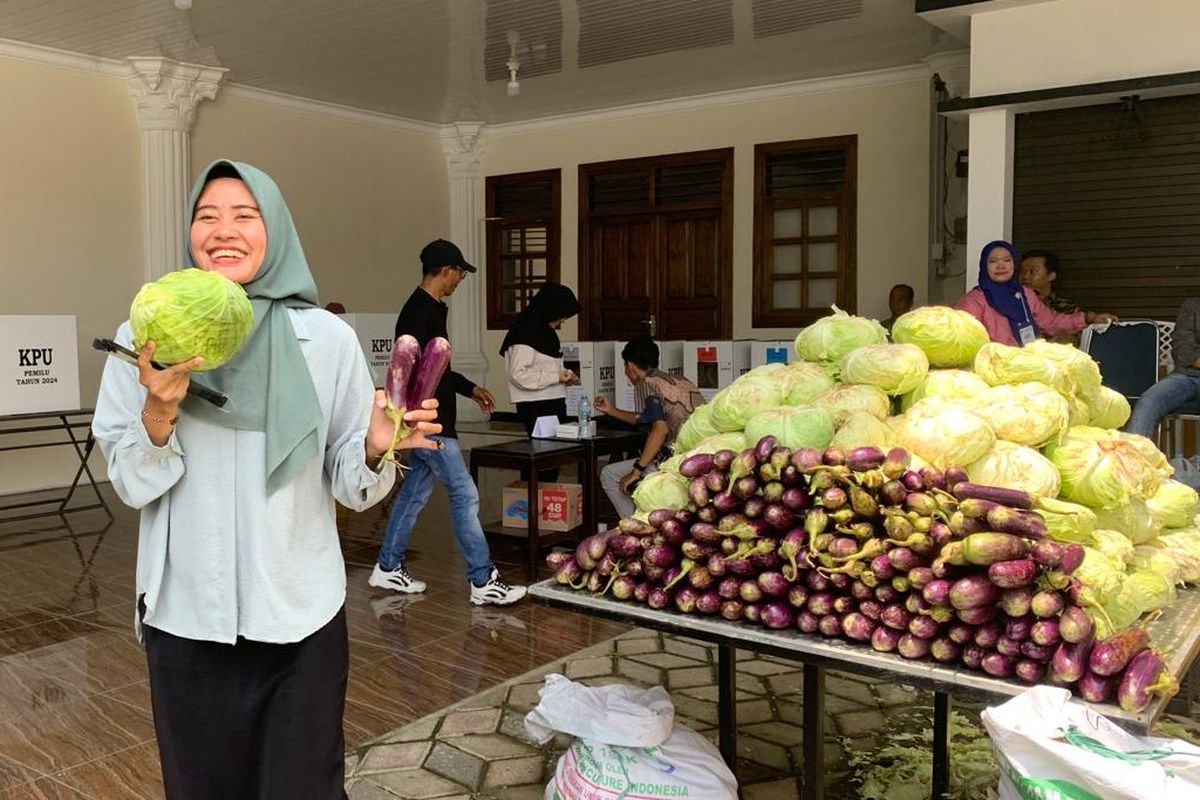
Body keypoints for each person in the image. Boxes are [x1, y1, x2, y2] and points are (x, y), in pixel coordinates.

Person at [92, 160, 442, 799]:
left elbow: (350, 487)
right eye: (207, 216)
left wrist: (373, 446)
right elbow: (132, 485)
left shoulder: (325, 339)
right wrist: (159, 410)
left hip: (300, 617)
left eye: (245, 215)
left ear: (274, 229)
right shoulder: (145, 337)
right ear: (190, 232)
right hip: (185, 616)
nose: (224, 231)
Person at [370, 239, 527, 605]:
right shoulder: (417, 313)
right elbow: (406, 371)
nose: (460, 279)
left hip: (433, 420)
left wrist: (470, 388)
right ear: (445, 270)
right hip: (430, 423)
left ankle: (388, 567)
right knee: (465, 492)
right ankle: (482, 579)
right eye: (459, 272)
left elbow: (438, 369)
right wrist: (411, 421)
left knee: (414, 494)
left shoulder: (433, 309)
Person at [593, 336, 704, 519]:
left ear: (630, 366)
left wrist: (637, 470)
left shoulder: (646, 384)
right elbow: (648, 419)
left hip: (675, 462)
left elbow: (660, 430)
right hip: (700, 456)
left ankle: (634, 528)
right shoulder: (679, 380)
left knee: (609, 474)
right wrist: (611, 410)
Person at [954, 240, 1113, 346]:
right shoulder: (974, 300)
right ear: (984, 265)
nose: (1001, 266)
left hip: (1028, 367)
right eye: (993, 261)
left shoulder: (1025, 295)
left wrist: (1088, 318)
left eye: (1007, 260)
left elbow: (1051, 322)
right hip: (992, 370)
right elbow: (967, 341)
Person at [500, 281, 582, 434]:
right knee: (546, 450)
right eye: (562, 314)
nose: (563, 320)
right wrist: (556, 377)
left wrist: (565, 375)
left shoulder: (545, 332)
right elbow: (518, 374)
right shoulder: (525, 333)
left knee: (559, 449)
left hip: (552, 401)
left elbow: (546, 364)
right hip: (536, 405)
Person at [1126, 298, 1200, 439]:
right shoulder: (1192, 306)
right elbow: (1183, 352)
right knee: (1149, 401)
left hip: (1189, 369)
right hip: (1186, 377)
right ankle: (1133, 457)